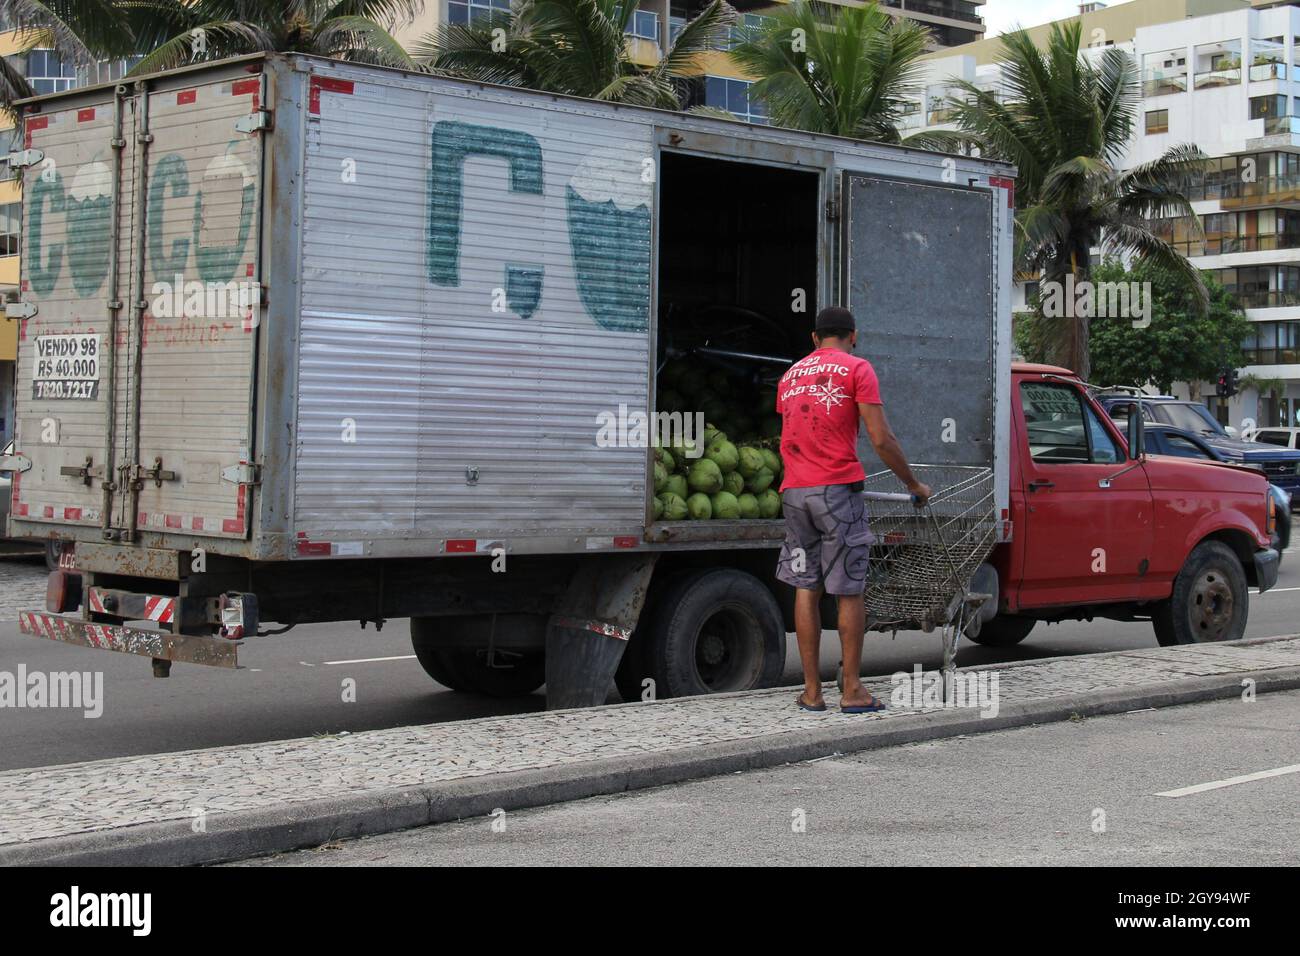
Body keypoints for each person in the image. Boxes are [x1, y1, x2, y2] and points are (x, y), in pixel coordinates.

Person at [775, 306, 931, 713]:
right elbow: (881, 438)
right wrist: (913, 484)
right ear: (854, 335)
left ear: (814, 338)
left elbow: (793, 432)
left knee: (805, 587)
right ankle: (853, 691)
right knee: (848, 589)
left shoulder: (790, 376)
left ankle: (811, 693)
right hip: (836, 493)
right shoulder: (857, 369)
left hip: (794, 492)